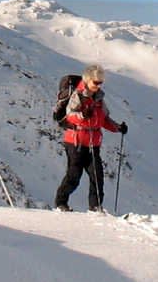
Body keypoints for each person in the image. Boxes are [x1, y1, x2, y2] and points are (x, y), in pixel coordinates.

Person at [54, 64, 127, 212]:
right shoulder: (78, 95)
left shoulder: (99, 98)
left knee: (97, 175)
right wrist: (82, 115)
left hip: (93, 143)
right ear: (87, 80)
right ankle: (61, 203)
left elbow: (104, 119)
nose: (98, 85)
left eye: (101, 82)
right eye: (96, 82)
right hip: (76, 142)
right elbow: (70, 115)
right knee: (74, 175)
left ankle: (95, 207)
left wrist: (118, 128)